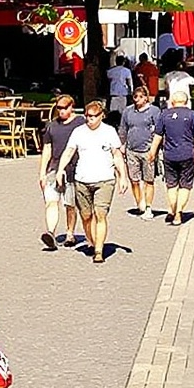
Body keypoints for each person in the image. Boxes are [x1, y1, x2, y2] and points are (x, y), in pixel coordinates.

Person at [55, 99, 123, 264]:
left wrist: (123, 177)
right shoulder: (79, 132)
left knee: (100, 214)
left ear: (101, 116)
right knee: (86, 216)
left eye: (93, 116)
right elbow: (69, 151)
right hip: (82, 179)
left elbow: (117, 155)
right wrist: (60, 170)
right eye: (87, 116)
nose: (89, 119)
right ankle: (92, 241)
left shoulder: (109, 131)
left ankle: (99, 250)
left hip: (105, 179)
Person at [37, 95, 80, 251]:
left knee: (70, 204)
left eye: (64, 108)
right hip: (54, 169)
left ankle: (70, 233)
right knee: (51, 202)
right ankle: (50, 233)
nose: (61, 111)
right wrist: (42, 172)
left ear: (71, 107)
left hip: (73, 170)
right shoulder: (52, 126)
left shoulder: (80, 123)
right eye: (59, 108)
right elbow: (47, 149)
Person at [155, 89, 194, 225]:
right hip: (187, 154)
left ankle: (172, 209)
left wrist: (152, 153)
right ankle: (179, 212)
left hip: (169, 155)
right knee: (185, 186)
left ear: (172, 101)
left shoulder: (164, 115)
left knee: (171, 185)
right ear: (186, 102)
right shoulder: (193, 115)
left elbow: (158, 136)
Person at [117, 85, 163, 217]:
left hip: (147, 150)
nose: (137, 99)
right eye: (135, 97)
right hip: (132, 150)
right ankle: (140, 203)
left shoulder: (154, 111)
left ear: (146, 98)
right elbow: (123, 128)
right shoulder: (128, 111)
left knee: (148, 180)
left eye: (141, 97)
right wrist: (122, 144)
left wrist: (155, 148)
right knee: (134, 179)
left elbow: (159, 131)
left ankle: (148, 207)